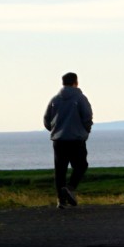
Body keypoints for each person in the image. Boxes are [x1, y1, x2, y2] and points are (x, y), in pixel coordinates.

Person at [42, 72, 93, 208]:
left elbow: (46, 120)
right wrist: (85, 130)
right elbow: (87, 116)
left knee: (60, 170)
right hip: (76, 139)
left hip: (59, 140)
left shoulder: (55, 100)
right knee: (81, 165)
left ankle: (61, 200)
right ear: (75, 82)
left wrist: (55, 130)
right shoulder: (80, 98)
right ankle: (70, 188)